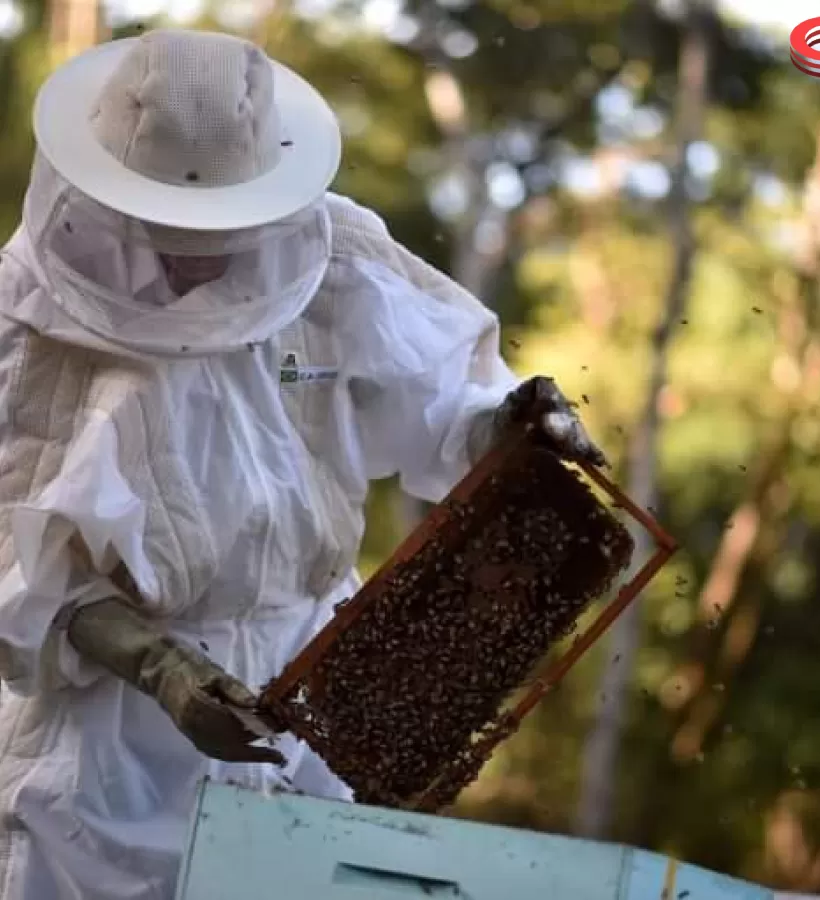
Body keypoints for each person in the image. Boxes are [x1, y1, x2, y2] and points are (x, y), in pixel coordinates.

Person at [0, 27, 603, 900]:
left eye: (217, 224)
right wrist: (162, 669)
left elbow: (441, 402)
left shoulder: (332, 258)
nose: (195, 252)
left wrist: (512, 423)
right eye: (166, 219)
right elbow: (16, 560)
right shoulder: (25, 324)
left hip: (323, 689)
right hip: (113, 743)